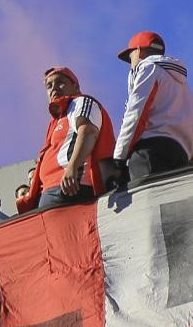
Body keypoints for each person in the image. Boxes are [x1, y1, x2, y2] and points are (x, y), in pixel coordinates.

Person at [18, 67, 116, 212]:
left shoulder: (80, 102)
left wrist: (73, 167)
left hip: (69, 186)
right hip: (51, 191)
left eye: (60, 82)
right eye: (49, 86)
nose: (54, 88)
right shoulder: (56, 121)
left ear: (75, 86)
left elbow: (88, 131)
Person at [108, 31, 193, 184]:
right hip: (181, 156)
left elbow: (136, 113)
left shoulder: (148, 68)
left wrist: (119, 157)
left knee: (145, 203)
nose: (131, 62)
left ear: (138, 51)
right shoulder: (183, 85)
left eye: (130, 56)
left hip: (150, 150)